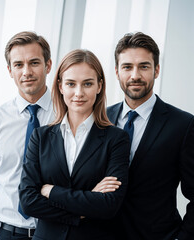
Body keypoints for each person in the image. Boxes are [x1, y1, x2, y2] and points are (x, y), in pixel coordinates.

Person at [19, 49, 131, 240]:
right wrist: (83, 208)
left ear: (99, 86)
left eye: (87, 84)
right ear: (61, 86)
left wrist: (51, 191)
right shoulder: (41, 137)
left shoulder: (116, 139)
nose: (79, 93)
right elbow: (28, 202)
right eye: (71, 84)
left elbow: (109, 205)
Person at [108, 32, 194, 240]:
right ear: (117, 72)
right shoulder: (102, 118)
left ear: (156, 70)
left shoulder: (183, 125)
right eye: (127, 67)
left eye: (144, 66)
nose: (135, 75)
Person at [0, 31, 54, 240]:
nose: (26, 71)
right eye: (18, 65)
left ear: (48, 65)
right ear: (10, 70)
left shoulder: (67, 114)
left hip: (53, 232)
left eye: (34, 62)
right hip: (8, 232)